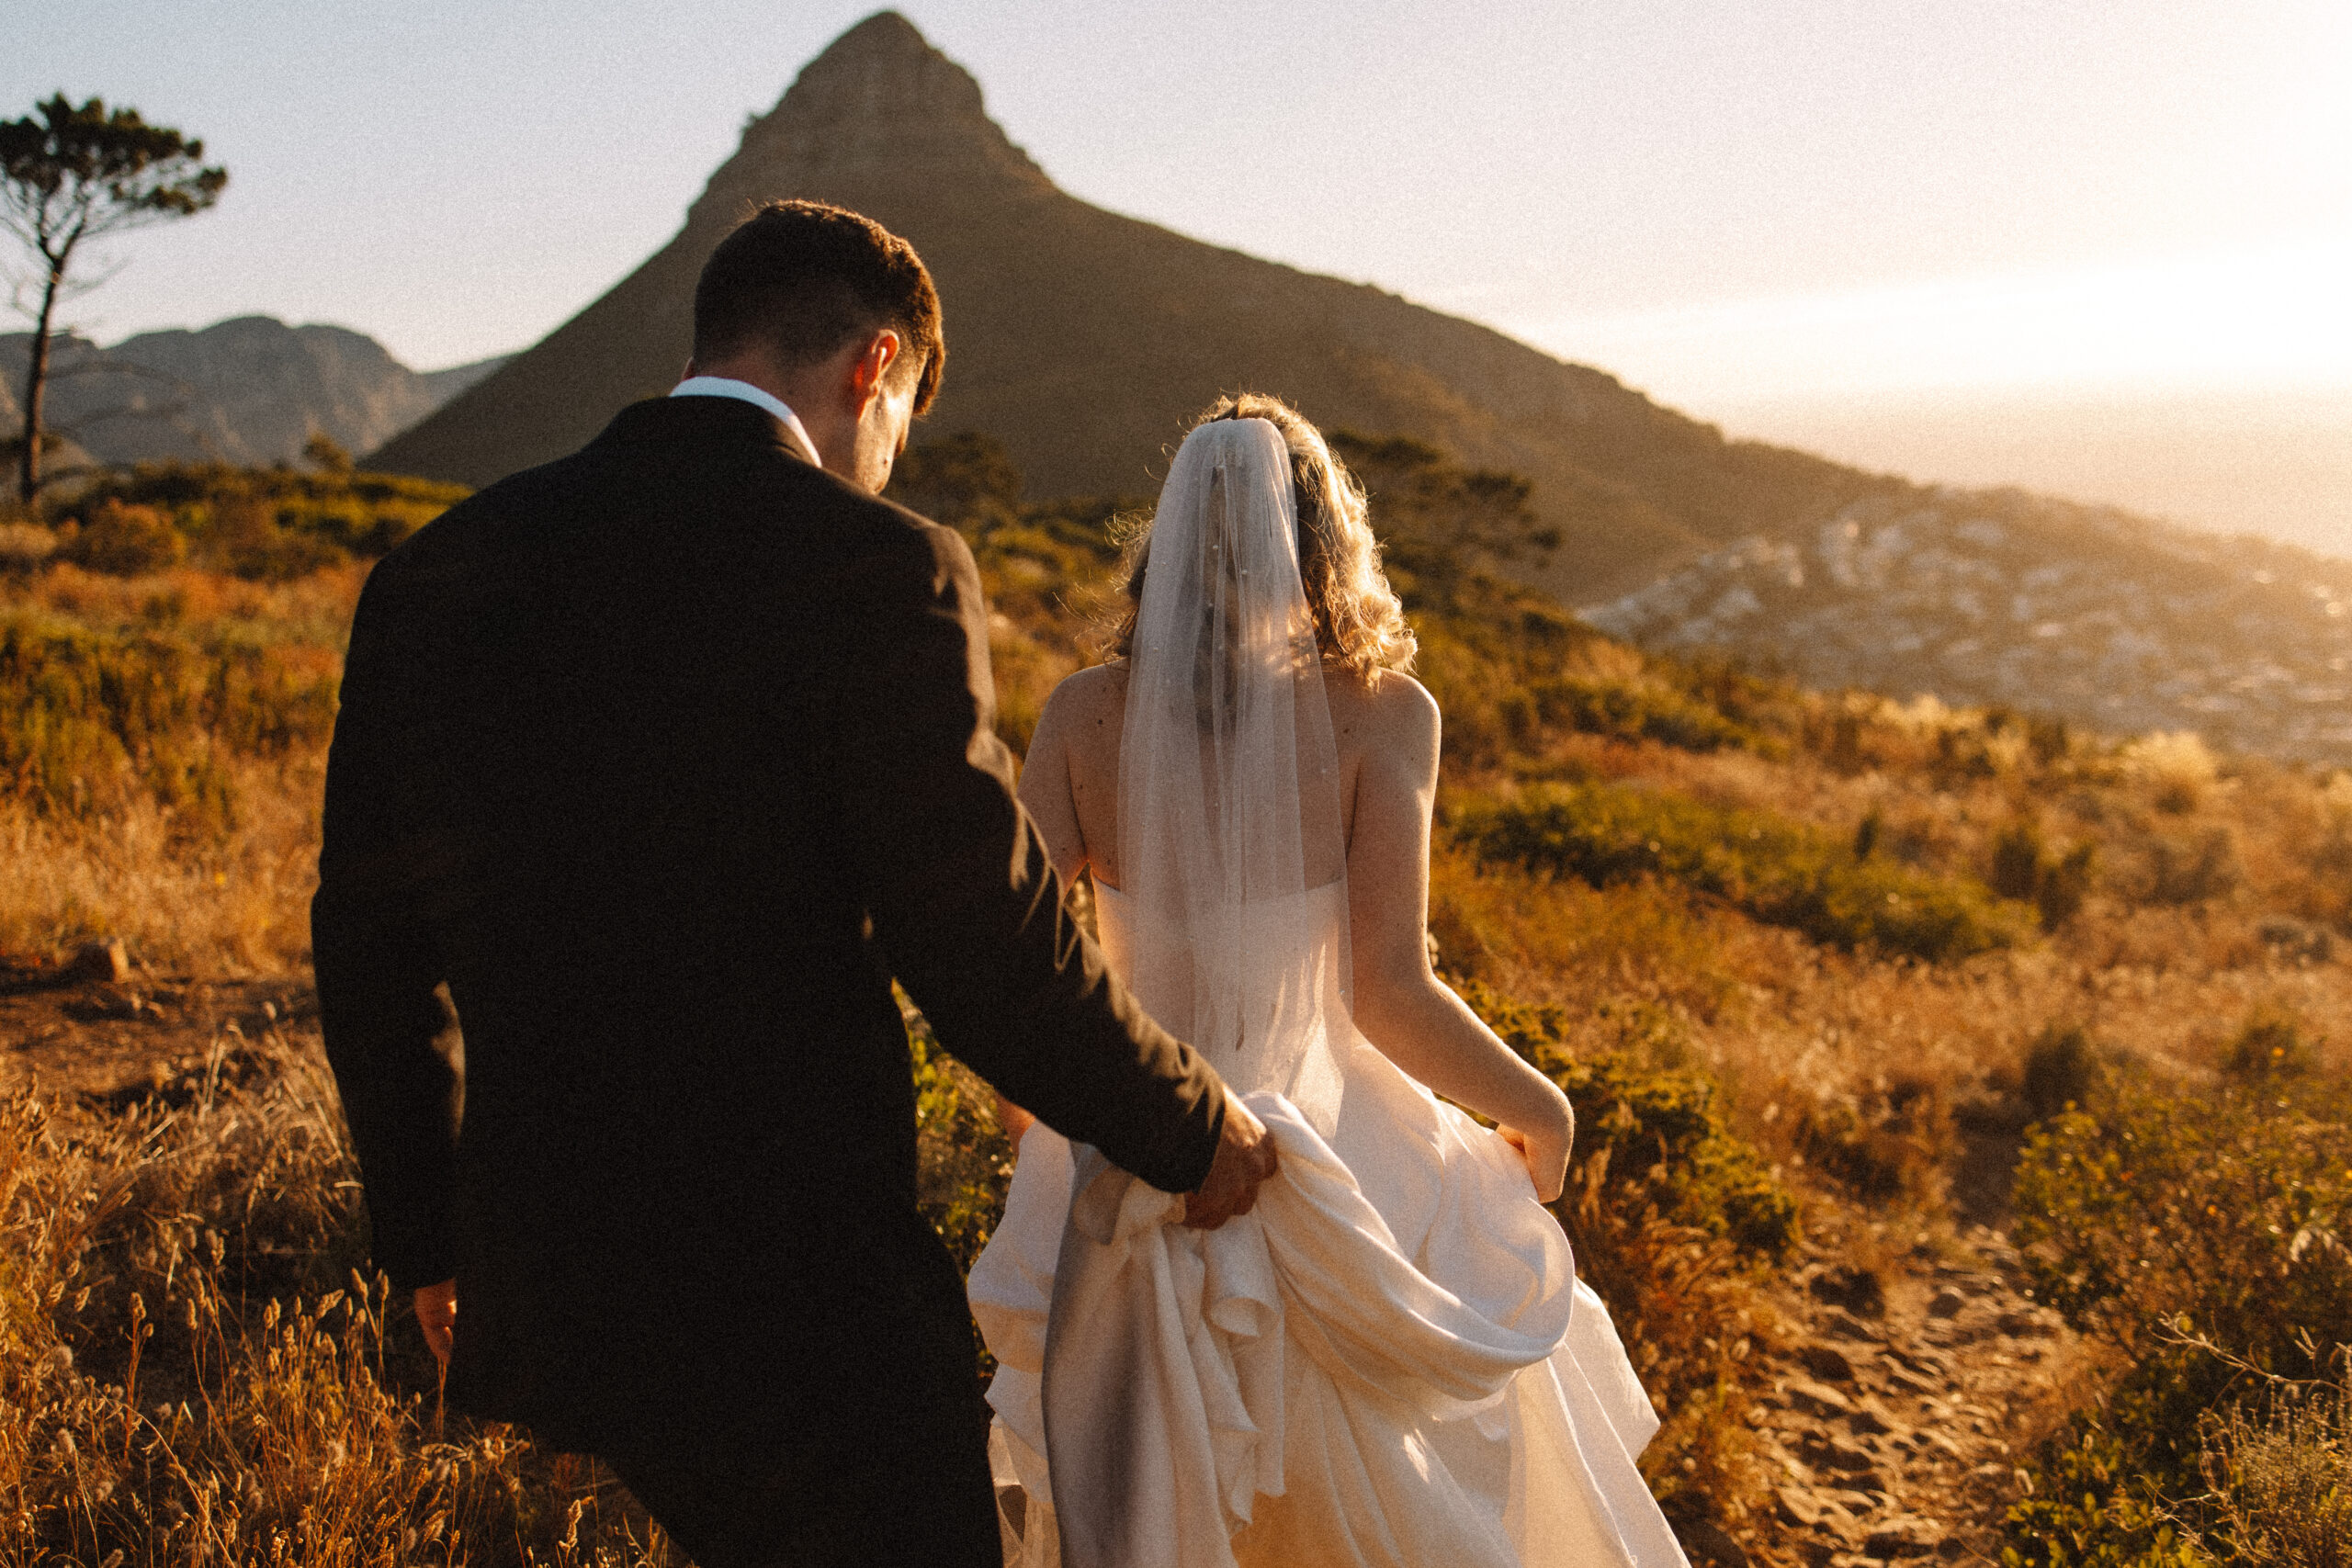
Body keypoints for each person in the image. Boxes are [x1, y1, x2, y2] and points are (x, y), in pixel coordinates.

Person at [311, 199, 1275, 1568]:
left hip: (557, 1263)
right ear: (873, 367)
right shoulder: (878, 567)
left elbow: (369, 941)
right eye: (900, 425)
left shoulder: (436, 571)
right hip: (801, 1283)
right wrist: (1187, 1121)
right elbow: (978, 930)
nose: (887, 467)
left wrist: (428, 1229)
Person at [969, 396, 1690, 1568]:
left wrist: (1040, 1124)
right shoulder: (1385, 716)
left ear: (1161, 538)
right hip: (1334, 1166)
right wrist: (1538, 1107)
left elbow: (1017, 955)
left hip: (1129, 1149)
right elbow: (1388, 993)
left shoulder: (1082, 714)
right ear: (1325, 541)